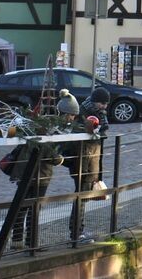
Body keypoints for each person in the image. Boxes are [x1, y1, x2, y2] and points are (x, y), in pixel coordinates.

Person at [9, 92, 70, 250]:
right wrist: (60, 158)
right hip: (40, 175)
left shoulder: (30, 128)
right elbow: (52, 156)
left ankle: (16, 240)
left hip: (23, 172)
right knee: (34, 208)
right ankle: (31, 242)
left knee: (21, 205)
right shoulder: (46, 133)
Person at [62, 87, 109, 243]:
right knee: (81, 195)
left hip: (90, 158)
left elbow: (103, 130)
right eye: (102, 103)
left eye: (106, 104)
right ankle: (76, 233)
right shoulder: (83, 112)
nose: (104, 107)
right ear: (95, 101)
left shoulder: (98, 113)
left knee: (84, 195)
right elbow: (81, 132)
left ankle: (78, 231)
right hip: (83, 159)